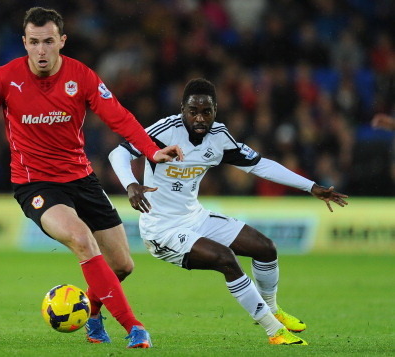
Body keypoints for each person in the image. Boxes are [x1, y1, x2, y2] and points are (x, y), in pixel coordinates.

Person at [0, 7, 184, 348]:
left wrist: (150, 150)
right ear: (24, 42)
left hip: (82, 180)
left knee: (123, 265)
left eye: (48, 41)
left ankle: (92, 312)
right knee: (82, 239)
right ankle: (133, 326)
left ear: (61, 41)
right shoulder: (4, 78)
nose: (41, 50)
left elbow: (119, 117)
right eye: (34, 42)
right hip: (35, 185)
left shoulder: (81, 76)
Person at [108, 78, 349, 345]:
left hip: (195, 217)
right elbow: (118, 153)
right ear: (182, 110)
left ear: (215, 111)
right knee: (225, 259)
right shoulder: (164, 131)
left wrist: (311, 187)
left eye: (206, 112)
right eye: (193, 111)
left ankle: (273, 310)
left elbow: (259, 165)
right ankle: (273, 331)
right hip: (161, 229)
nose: (200, 118)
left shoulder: (219, 137)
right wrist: (131, 185)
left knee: (265, 248)